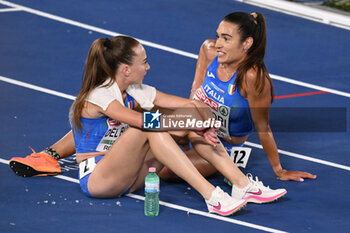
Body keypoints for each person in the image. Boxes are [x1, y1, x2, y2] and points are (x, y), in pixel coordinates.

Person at [10, 35, 287, 216]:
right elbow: (143, 122)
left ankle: (241, 185)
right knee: (148, 129)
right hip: (98, 179)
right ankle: (212, 196)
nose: (149, 67)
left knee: (186, 124)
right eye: (144, 62)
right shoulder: (100, 95)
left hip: (131, 175)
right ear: (126, 69)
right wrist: (193, 121)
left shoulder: (137, 90)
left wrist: (204, 119)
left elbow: (190, 105)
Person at [160, 12, 317, 182]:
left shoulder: (253, 78)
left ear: (246, 43)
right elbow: (195, 91)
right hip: (196, 127)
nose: (218, 44)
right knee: (144, 116)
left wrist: (279, 170)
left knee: (166, 169)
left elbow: (263, 127)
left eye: (226, 39)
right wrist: (187, 127)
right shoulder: (209, 50)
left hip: (220, 147)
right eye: (218, 36)